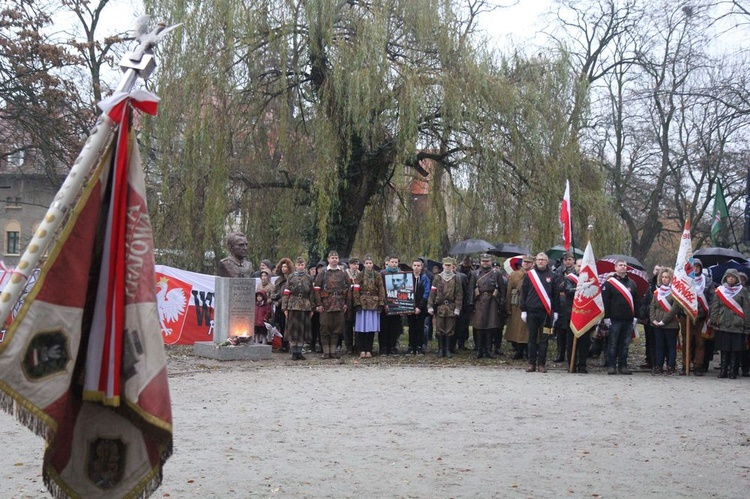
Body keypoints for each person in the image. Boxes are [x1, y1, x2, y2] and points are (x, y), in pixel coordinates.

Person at [520, 252, 559, 373]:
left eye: (543, 259)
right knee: (531, 338)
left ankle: (541, 364)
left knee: (544, 339)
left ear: (547, 262)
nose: (541, 261)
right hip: (531, 312)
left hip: (546, 314)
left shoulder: (552, 275)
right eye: (538, 259)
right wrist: (523, 310)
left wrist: (556, 311)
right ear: (535, 261)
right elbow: (524, 293)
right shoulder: (529, 275)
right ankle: (531, 363)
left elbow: (555, 295)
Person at [709, 268, 750, 379]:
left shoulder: (743, 291)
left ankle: (733, 371)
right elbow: (715, 307)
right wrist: (713, 320)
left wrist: (747, 326)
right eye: (728, 276)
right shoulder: (720, 291)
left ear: (737, 278)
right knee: (724, 348)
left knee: (735, 349)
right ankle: (723, 371)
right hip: (723, 323)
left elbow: (746, 309)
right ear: (725, 278)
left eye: (732, 277)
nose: (730, 278)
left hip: (737, 324)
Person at [601, 259, 640, 375]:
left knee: (625, 345)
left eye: (625, 265)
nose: (623, 267)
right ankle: (611, 366)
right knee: (612, 343)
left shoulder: (632, 283)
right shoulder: (609, 283)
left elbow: (636, 301)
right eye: (621, 265)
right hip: (614, 319)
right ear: (615, 268)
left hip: (628, 319)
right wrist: (606, 317)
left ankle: (623, 366)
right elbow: (605, 301)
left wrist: (635, 317)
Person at [467, 254, 506, 359]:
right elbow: (471, 289)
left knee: (490, 326)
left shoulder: (496, 273)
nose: (485, 263)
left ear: (491, 261)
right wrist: (470, 302)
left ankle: (488, 350)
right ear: (480, 262)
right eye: (483, 261)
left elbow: (502, 289)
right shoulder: (475, 273)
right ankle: (479, 349)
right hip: (479, 301)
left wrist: (502, 302)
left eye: (487, 261)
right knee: (479, 327)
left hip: (492, 301)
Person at [314, 251, 350, 359]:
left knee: (337, 328)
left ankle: (333, 351)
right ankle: (326, 351)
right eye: (332, 258)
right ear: (328, 259)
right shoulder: (323, 273)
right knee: (325, 327)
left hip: (339, 304)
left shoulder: (343, 273)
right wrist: (318, 304)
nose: (334, 260)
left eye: (336, 258)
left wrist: (345, 303)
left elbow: (347, 289)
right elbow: (316, 289)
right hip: (325, 305)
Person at [428, 258, 463, 358]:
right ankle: (440, 349)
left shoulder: (456, 278)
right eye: (446, 265)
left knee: (450, 329)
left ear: (452, 266)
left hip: (451, 307)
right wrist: (430, 306)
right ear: (442, 266)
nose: (447, 267)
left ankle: (448, 350)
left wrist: (457, 308)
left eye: (449, 265)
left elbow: (459, 294)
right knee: (439, 328)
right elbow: (432, 292)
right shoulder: (437, 278)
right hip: (440, 307)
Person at [282, 257, 316, 360]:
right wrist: (285, 308)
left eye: (302, 265)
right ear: (296, 266)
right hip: (293, 305)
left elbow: (312, 294)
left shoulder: (309, 278)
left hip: (305, 306)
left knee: (302, 330)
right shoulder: (291, 277)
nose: (300, 267)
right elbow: (286, 293)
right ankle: (293, 352)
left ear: (304, 266)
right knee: (293, 330)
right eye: (298, 265)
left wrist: (312, 308)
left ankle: (299, 351)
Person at [352, 256, 385, 358]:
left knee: (371, 328)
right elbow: (356, 290)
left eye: (370, 263)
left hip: (373, 303)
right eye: (367, 263)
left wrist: (381, 303)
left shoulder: (377, 275)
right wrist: (357, 303)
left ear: (373, 264)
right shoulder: (360, 275)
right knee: (362, 328)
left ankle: (369, 349)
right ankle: (362, 349)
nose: (369, 265)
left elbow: (381, 289)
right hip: (362, 303)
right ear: (364, 264)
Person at [649, 267, 680, 375]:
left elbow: (674, 309)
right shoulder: (657, 292)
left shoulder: (675, 292)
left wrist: (664, 321)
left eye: (667, 277)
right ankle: (658, 366)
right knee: (659, 346)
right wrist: (653, 319)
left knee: (671, 346)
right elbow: (652, 306)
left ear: (671, 278)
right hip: (657, 324)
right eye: (662, 277)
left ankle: (670, 366)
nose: (664, 279)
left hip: (671, 324)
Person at [506, 255, 533, 359]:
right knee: (517, 329)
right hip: (517, 305)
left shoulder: (535, 275)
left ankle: (528, 351)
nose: (526, 264)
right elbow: (509, 291)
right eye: (524, 262)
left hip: (530, 305)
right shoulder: (515, 274)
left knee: (528, 330)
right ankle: (519, 350)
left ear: (532, 264)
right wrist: (508, 307)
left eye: (528, 262)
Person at [566, 259, 590, 373]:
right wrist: (578, 288)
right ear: (575, 266)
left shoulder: (590, 279)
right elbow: (567, 290)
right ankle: (571, 364)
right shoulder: (570, 278)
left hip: (585, 314)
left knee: (584, 342)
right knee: (571, 341)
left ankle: (582, 365)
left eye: (583, 266)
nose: (581, 268)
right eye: (579, 266)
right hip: (572, 313)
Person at [553, 252, 576, 362]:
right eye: (566, 259)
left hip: (572, 303)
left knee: (570, 331)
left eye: (570, 259)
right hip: (561, 303)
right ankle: (560, 354)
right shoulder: (558, 271)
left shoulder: (576, 273)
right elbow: (556, 286)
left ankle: (570, 355)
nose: (568, 261)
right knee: (560, 331)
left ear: (573, 260)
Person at [380, 255, 404, 355]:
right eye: (392, 262)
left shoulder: (402, 274)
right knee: (384, 327)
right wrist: (385, 303)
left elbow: (404, 290)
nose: (394, 264)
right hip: (386, 304)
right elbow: (381, 290)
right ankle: (383, 347)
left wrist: (404, 306)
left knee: (395, 327)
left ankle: (392, 347)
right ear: (388, 263)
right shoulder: (382, 273)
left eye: (396, 262)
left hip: (397, 305)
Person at [407, 259, 431, 355]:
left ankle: (419, 346)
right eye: (415, 265)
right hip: (410, 306)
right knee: (411, 327)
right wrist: (410, 306)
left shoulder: (425, 278)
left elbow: (426, 293)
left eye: (418, 265)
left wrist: (420, 307)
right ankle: (411, 346)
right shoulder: (408, 277)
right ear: (412, 266)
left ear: (421, 267)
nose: (416, 267)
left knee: (420, 327)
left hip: (421, 307)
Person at [272, 257, 294, 351]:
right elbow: (274, 291)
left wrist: (280, 301)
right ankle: (282, 344)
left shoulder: (292, 279)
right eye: (282, 266)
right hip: (278, 306)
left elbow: (290, 292)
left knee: (287, 325)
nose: (283, 268)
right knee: (279, 325)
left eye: (285, 266)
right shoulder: (278, 280)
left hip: (288, 305)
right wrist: (274, 298)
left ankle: (288, 344)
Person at [342, 257, 361, 354]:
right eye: (354, 264)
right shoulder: (344, 274)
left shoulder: (360, 274)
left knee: (358, 325)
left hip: (357, 303)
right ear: (350, 265)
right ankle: (348, 346)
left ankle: (357, 345)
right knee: (347, 325)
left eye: (357, 264)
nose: (355, 266)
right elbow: (342, 287)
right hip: (348, 303)